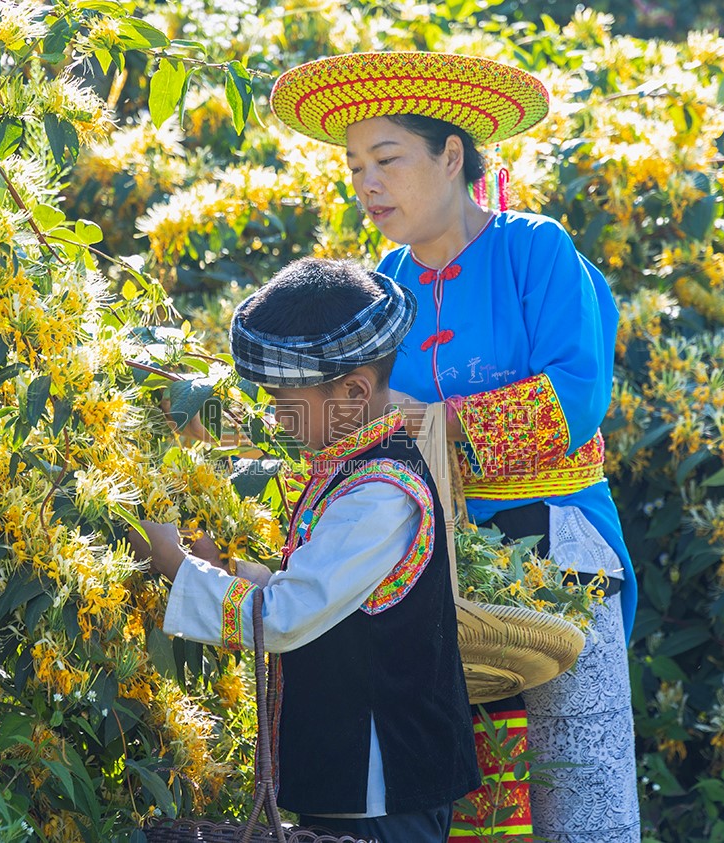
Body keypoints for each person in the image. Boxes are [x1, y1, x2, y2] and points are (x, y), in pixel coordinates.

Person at [270, 52, 641, 842]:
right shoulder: (384, 284)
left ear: (451, 156)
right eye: (355, 166)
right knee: (469, 802)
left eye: (387, 159)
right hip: (435, 569)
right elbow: (354, 427)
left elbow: (574, 397)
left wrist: (422, 415)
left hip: (560, 544)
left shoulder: (534, 247)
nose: (366, 183)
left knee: (582, 796)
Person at [130, 257, 481, 843]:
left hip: (381, 783)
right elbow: (317, 590)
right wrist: (228, 568)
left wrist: (174, 564)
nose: (272, 415)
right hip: (354, 779)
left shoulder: (380, 494)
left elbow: (286, 620)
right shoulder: (352, 467)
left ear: (353, 392)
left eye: (282, 399)